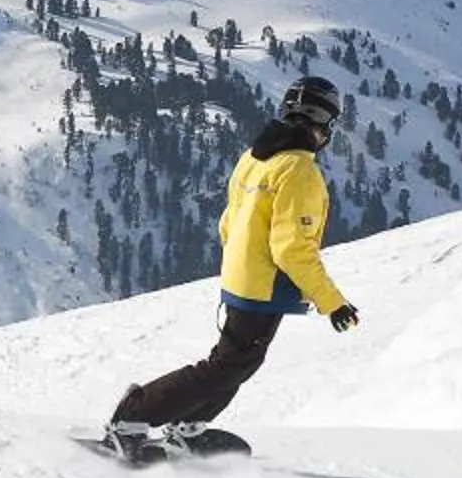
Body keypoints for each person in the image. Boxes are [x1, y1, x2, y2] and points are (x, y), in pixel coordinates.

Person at [110, 74, 360, 435]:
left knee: (237, 363)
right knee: (227, 366)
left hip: (243, 277)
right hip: (264, 285)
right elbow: (292, 248)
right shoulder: (299, 170)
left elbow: (229, 220)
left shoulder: (255, 158)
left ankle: (188, 423)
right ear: (323, 122)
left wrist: (242, 264)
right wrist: (333, 303)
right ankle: (135, 417)